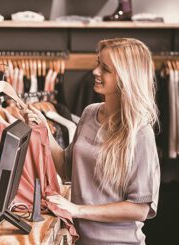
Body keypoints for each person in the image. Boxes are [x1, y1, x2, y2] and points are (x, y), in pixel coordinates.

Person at [25, 38, 160, 244]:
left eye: (105, 69)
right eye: (98, 63)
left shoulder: (140, 132)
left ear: (126, 77)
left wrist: (77, 210)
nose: (95, 72)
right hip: (80, 239)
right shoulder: (90, 113)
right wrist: (44, 131)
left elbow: (139, 208)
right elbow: (67, 168)